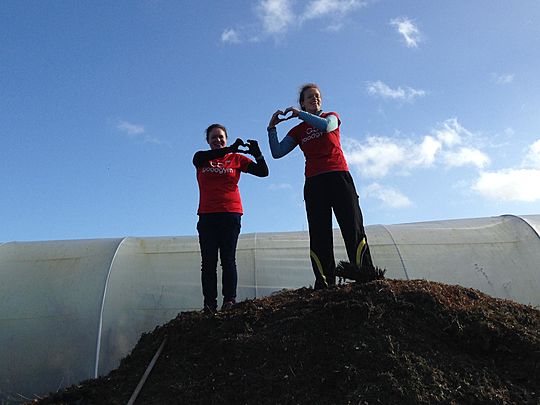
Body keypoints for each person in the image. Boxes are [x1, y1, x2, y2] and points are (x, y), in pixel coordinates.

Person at [267, 83, 375, 289]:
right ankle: (325, 281)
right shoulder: (298, 130)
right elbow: (277, 152)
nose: (314, 99)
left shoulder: (331, 116)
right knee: (319, 233)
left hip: (339, 177)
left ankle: (364, 276)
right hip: (315, 183)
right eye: (309, 97)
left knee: (352, 227)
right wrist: (271, 128)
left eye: (317, 96)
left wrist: (300, 114)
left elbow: (327, 127)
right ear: (302, 102)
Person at [193, 123, 268, 313]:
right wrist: (229, 149)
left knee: (228, 259)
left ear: (225, 138)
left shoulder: (236, 159)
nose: (217, 140)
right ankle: (209, 303)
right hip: (207, 215)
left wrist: (257, 153)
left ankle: (230, 300)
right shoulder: (201, 158)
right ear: (208, 141)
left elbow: (263, 172)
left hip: (230, 214)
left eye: (221, 137)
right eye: (213, 138)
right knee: (208, 262)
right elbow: (201, 158)